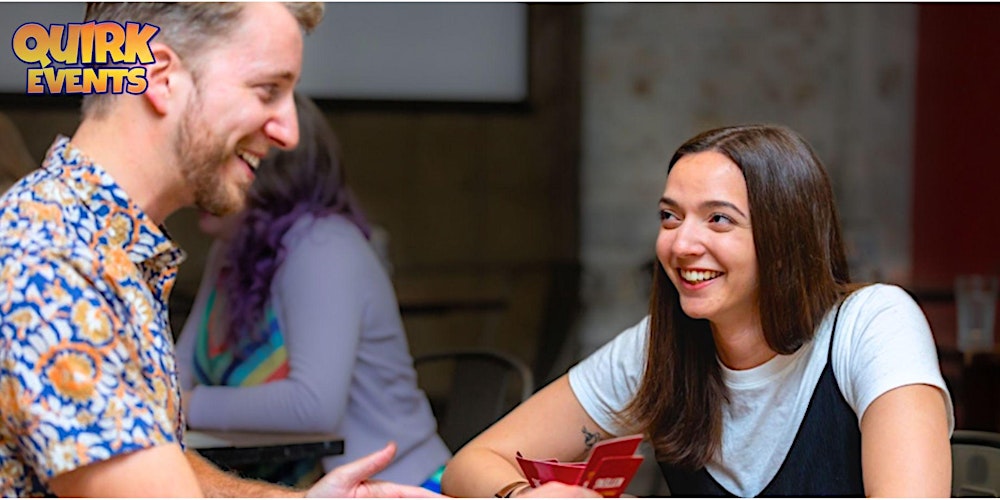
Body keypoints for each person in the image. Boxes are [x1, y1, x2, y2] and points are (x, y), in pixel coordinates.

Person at [0, 3, 436, 497]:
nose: (289, 132)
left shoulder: (102, 246)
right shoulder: (52, 262)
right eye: (267, 90)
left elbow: (154, 461)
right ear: (161, 78)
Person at [441, 124, 954, 497]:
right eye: (670, 216)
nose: (681, 243)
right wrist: (525, 497)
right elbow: (471, 465)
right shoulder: (658, 347)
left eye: (718, 220)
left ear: (783, 239)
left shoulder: (872, 324)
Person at [174, 92, 452, 489]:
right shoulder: (229, 249)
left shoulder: (322, 246)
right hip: (293, 486)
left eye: (220, 157)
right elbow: (178, 372)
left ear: (267, 170)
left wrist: (186, 405)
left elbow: (311, 406)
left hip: (392, 487)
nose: (196, 178)